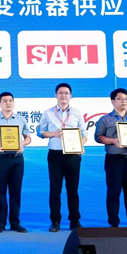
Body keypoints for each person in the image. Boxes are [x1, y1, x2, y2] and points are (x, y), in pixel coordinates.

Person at [37, 83, 87, 232]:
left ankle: (75, 221)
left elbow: (84, 134)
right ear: (56, 95)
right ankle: (55, 221)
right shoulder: (48, 113)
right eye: (60, 93)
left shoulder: (77, 113)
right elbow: (40, 132)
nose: (63, 95)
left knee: (73, 189)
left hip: (73, 155)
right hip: (55, 154)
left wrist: (80, 145)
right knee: (55, 189)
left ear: (70, 95)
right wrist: (54, 134)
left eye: (66, 93)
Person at [95, 88, 127, 228]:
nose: (124, 101)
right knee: (114, 192)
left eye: (126, 98)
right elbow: (98, 137)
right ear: (113, 101)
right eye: (120, 98)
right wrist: (113, 141)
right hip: (114, 160)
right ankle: (114, 223)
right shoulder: (105, 119)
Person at [0, 92, 32, 233]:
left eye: (10, 100)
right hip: (0, 159)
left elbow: (28, 138)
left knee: (16, 192)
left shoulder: (21, 119)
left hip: (17, 159)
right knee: (1, 193)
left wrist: (23, 143)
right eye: (5, 101)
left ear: (14, 103)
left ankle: (15, 223)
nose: (8, 103)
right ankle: (1, 223)